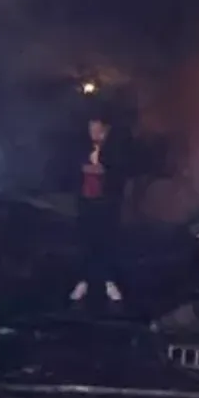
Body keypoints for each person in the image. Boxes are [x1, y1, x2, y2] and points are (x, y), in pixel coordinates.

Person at [68, 110, 129, 307]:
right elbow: (72, 170)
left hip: (107, 204)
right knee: (86, 243)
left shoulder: (115, 150)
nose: (93, 132)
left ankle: (109, 282)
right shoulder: (81, 148)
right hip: (86, 203)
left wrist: (104, 170)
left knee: (107, 243)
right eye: (91, 128)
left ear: (105, 130)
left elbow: (119, 172)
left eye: (97, 129)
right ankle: (83, 282)